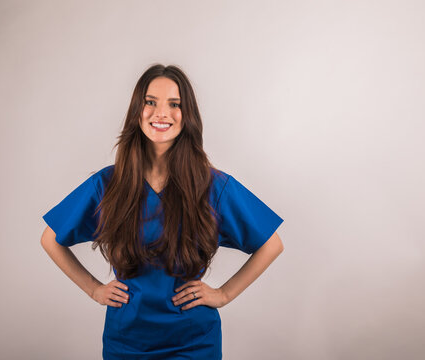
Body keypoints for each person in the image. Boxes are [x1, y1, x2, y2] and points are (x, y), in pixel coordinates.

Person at [40, 64, 285, 359]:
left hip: (193, 343)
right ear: (137, 111)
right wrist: (94, 289)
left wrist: (224, 294)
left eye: (174, 104)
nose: (161, 113)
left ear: (188, 115)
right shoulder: (107, 184)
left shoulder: (212, 186)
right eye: (150, 102)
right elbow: (50, 238)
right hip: (127, 342)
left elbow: (271, 244)